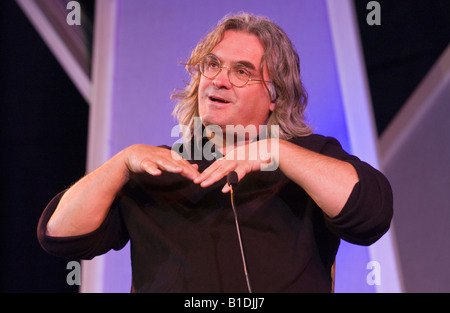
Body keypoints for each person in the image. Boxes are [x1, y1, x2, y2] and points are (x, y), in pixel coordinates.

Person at [37, 13, 393, 293]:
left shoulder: (307, 157)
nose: (219, 80)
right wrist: (120, 163)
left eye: (242, 71)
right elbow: (59, 235)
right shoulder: (159, 168)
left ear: (274, 96)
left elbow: (371, 213)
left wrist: (275, 152)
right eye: (212, 64)